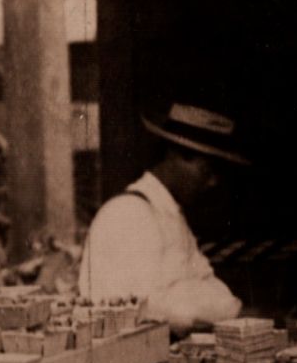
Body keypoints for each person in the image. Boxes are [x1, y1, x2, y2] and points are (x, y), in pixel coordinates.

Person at [79, 100, 249, 334]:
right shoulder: (129, 213)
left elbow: (207, 282)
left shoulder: (169, 213)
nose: (212, 182)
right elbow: (159, 307)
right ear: (176, 156)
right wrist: (231, 312)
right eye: (206, 171)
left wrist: (230, 310)